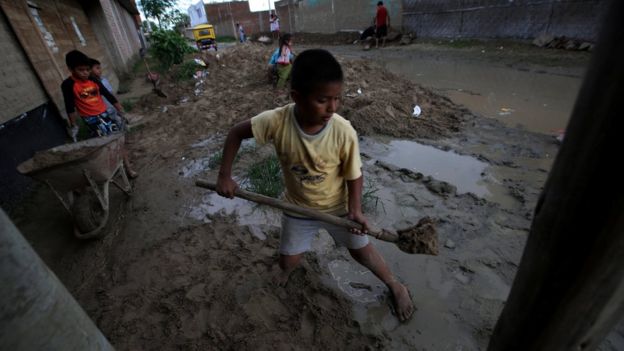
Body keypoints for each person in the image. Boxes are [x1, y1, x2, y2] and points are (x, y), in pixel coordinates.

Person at [215, 49, 414, 322]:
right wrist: (225, 175)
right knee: (288, 262)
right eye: (322, 100)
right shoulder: (277, 121)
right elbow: (236, 133)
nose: (332, 108)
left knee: (362, 251)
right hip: (297, 208)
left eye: (337, 99)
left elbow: (354, 174)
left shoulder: (343, 131)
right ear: (296, 97)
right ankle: (285, 271)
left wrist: (355, 209)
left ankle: (395, 284)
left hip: (338, 209)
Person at [61, 50, 137, 178]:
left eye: (87, 69)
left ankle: (128, 168)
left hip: (105, 114)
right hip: (92, 120)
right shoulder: (68, 85)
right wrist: (73, 125)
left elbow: (108, 95)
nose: (85, 73)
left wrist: (121, 110)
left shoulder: (93, 80)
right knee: (106, 145)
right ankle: (112, 169)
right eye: (81, 70)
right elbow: (70, 107)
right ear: (70, 69)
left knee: (118, 140)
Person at [89, 58, 125, 131]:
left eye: (100, 68)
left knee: (119, 121)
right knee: (110, 127)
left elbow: (111, 93)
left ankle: (124, 135)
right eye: (97, 68)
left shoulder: (104, 79)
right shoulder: (91, 84)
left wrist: (117, 105)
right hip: (103, 111)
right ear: (89, 70)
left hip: (112, 107)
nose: (100, 70)